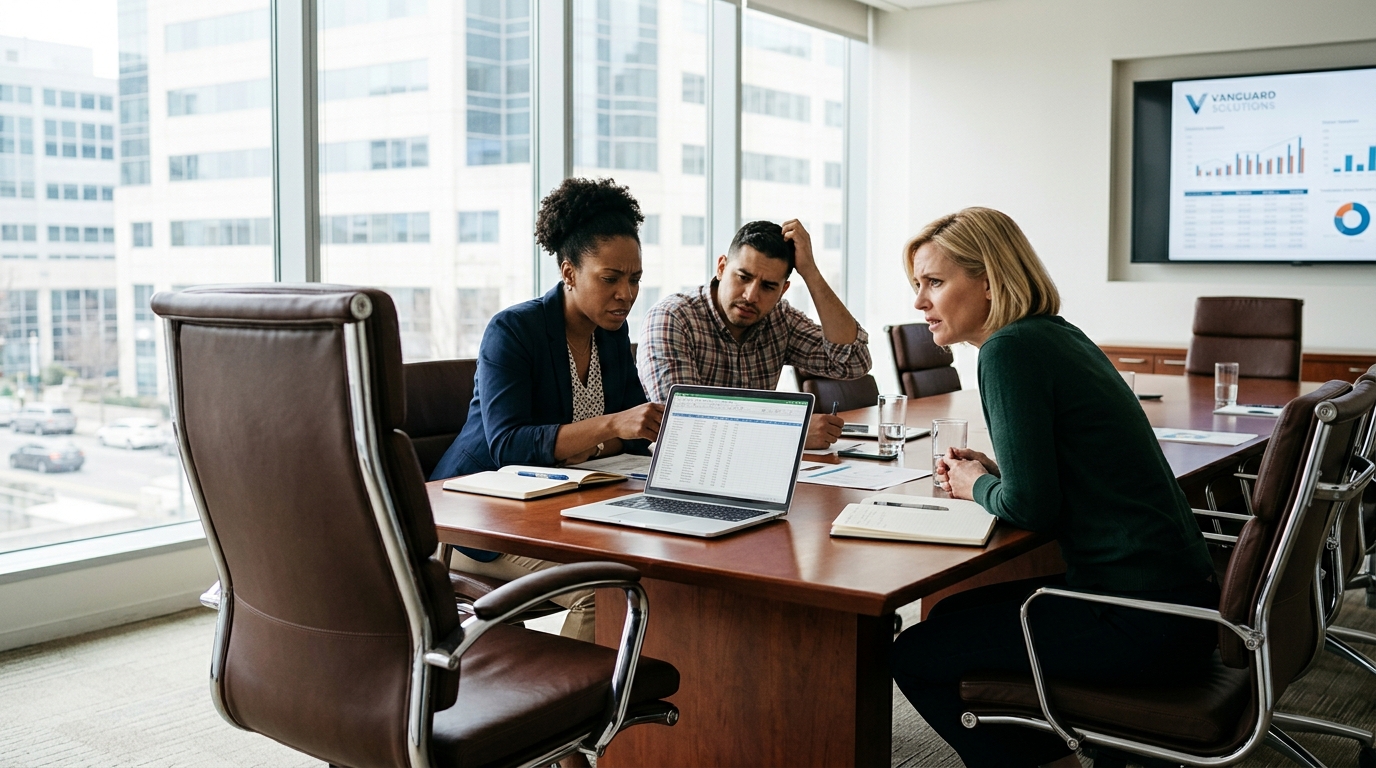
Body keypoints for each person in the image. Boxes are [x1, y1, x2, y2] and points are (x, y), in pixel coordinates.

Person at [889, 207, 1218, 768]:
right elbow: (1066, 470)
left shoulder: (1008, 350)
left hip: (1136, 619)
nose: (919, 302)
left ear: (988, 282)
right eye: (917, 285)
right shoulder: (1054, 335)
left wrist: (978, 486)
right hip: (1179, 602)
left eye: (935, 282)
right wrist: (997, 471)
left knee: (915, 654)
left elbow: (1032, 507)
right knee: (944, 617)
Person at [430, 177, 664, 644]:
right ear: (570, 272)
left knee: (656, 567)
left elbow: (638, 432)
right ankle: (566, 710)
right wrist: (610, 427)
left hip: (558, 508)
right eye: (610, 278)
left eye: (635, 278)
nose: (627, 294)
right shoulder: (514, 331)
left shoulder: (610, 334)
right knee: (598, 589)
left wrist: (607, 433)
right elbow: (510, 445)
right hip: (478, 520)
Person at [636, 219, 871, 450]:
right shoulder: (672, 318)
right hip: (678, 475)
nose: (751, 296)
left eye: (768, 286)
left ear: (783, 290)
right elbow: (685, 425)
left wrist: (810, 272)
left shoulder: (779, 319)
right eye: (743, 277)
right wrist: (791, 433)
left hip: (756, 470)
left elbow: (852, 362)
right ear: (721, 268)